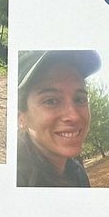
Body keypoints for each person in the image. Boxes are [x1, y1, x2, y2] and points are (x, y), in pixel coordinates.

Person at [15, 50, 99, 187]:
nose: (74, 116)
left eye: (79, 99)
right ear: (21, 118)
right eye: (51, 101)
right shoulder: (18, 181)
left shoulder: (76, 172)